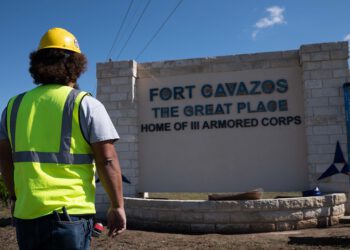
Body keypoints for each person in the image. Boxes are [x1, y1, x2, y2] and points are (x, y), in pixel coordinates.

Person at [0, 27, 126, 249]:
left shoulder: (13, 107)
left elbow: (5, 161)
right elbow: (107, 160)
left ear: (37, 64)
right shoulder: (85, 104)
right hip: (70, 217)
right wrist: (117, 206)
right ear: (76, 65)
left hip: (27, 216)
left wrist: (15, 198)